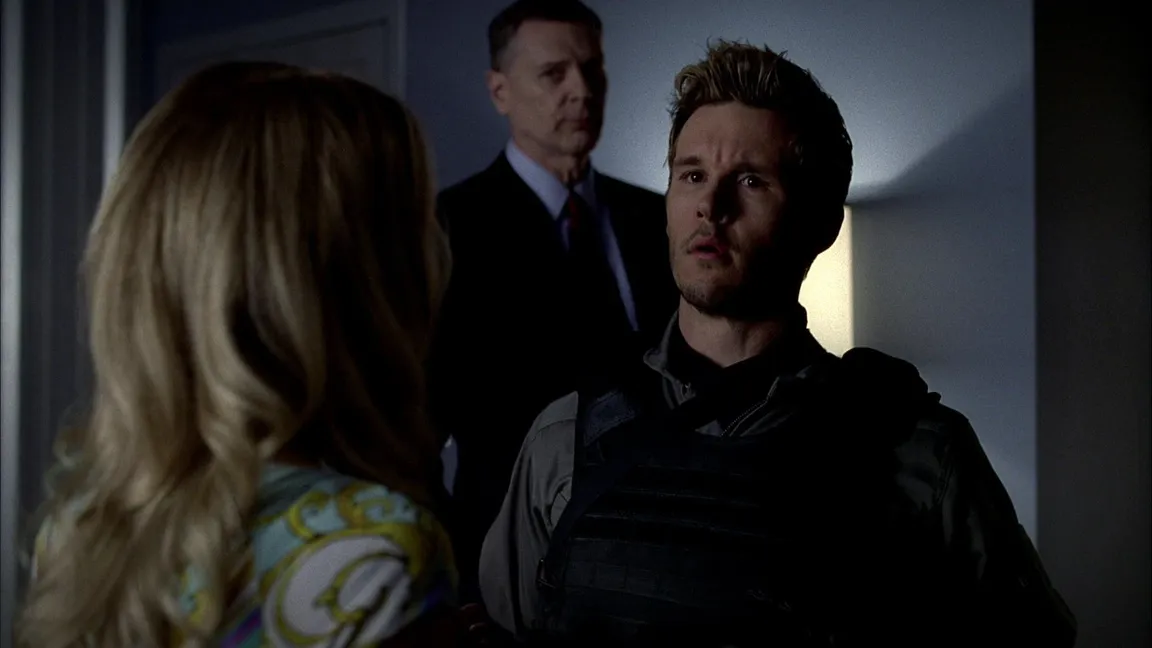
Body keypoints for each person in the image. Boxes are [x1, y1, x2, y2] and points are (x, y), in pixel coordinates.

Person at [477, 41, 1078, 646]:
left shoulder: (919, 452)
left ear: (821, 224)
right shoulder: (566, 437)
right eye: (692, 176)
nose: (710, 207)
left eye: (750, 181)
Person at [17, 62, 462, 647]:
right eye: (419, 225)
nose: (439, 255)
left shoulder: (81, 526)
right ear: (361, 283)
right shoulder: (379, 556)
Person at [429, 0, 678, 602]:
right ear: (500, 91)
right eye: (553, 73)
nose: (582, 91)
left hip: (653, 550)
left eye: (592, 70)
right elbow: (417, 425)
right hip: (505, 561)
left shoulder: (657, 216)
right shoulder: (445, 227)